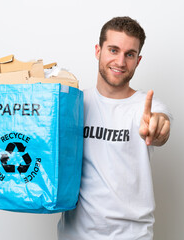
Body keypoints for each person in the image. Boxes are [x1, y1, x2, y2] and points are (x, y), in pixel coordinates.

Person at [57, 16, 172, 240]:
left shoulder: (147, 108)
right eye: (113, 50)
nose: (120, 62)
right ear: (98, 51)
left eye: (129, 54)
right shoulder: (73, 105)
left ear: (138, 61)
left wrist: (158, 129)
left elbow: (161, 127)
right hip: (74, 235)